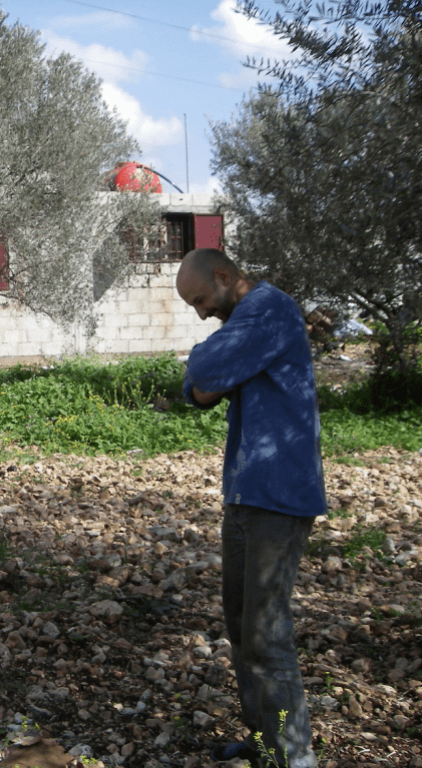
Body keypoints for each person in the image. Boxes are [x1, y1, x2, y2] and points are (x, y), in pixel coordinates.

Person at [176, 248, 327, 768]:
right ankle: (266, 742)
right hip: (246, 491)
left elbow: (203, 369)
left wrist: (205, 370)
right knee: (242, 628)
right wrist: (205, 378)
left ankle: (294, 756)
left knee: (267, 633)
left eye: (200, 300)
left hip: (278, 494)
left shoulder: (269, 309)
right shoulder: (248, 321)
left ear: (224, 276)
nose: (200, 313)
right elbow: (199, 391)